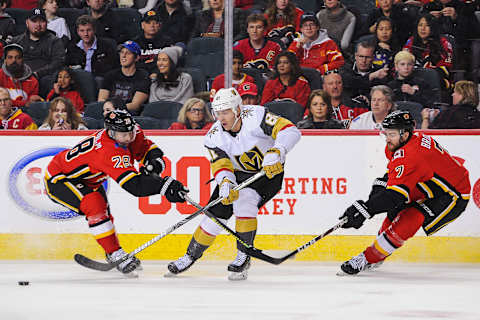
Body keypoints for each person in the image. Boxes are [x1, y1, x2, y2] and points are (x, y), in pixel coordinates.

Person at [167, 87, 301, 280]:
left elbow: (291, 130)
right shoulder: (213, 136)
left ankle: (243, 255)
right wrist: (225, 183)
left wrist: (278, 151)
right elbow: (221, 164)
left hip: (267, 173)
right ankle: (190, 256)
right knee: (214, 217)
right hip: (237, 175)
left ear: (238, 109)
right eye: (218, 113)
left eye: (226, 112)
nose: (222, 118)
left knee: (244, 202)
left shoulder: (256, 116)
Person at [44, 109, 188, 275]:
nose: (128, 137)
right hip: (60, 179)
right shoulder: (108, 151)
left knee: (103, 212)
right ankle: (114, 253)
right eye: (123, 135)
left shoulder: (129, 130)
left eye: (130, 132)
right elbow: (135, 186)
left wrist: (154, 162)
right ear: (111, 133)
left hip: (89, 178)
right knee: (95, 206)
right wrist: (165, 186)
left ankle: (113, 252)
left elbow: (145, 148)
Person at [337, 110, 471, 275]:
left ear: (405, 134)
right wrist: (368, 206)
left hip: (452, 193)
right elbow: (392, 178)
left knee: (413, 215)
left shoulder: (411, 155)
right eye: (386, 133)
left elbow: (395, 196)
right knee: (384, 189)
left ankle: (369, 257)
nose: (387, 138)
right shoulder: (401, 144)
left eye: (391, 134)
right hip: (428, 182)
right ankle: (379, 251)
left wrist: (366, 209)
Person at [12, 8, 65, 81]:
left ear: (47, 23)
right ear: (27, 22)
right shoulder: (16, 41)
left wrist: (37, 74)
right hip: (18, 77)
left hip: (44, 78)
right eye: (34, 21)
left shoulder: (55, 41)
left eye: (42, 21)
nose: (38, 25)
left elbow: (58, 63)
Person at [98, 40, 150, 114]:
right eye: (122, 52)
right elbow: (101, 99)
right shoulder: (110, 75)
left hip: (130, 115)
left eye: (128, 53)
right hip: (108, 112)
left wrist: (114, 109)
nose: (123, 56)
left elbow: (135, 105)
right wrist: (109, 109)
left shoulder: (143, 76)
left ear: (137, 58)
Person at [403, 13, 453, 90]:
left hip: (435, 79)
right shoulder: (410, 41)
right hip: (412, 77)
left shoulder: (444, 43)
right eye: (420, 25)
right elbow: (403, 61)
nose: (423, 28)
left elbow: (445, 69)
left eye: (427, 25)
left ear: (433, 27)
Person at [66, 15, 118, 79]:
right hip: (77, 82)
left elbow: (113, 69)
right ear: (78, 32)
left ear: (94, 30)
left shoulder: (106, 46)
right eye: (82, 31)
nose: (86, 34)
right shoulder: (72, 47)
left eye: (89, 30)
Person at [133, 10, 176, 74]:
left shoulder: (167, 42)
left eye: (155, 22)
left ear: (160, 25)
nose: (152, 25)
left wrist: (156, 73)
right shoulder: (135, 43)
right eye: (148, 22)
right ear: (142, 25)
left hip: (160, 74)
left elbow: (169, 64)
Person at [0, 44, 42, 108]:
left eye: (18, 57)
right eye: (10, 57)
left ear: (22, 60)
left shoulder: (33, 81)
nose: (14, 60)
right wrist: (23, 103)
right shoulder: (0, 75)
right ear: (5, 60)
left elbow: (31, 105)